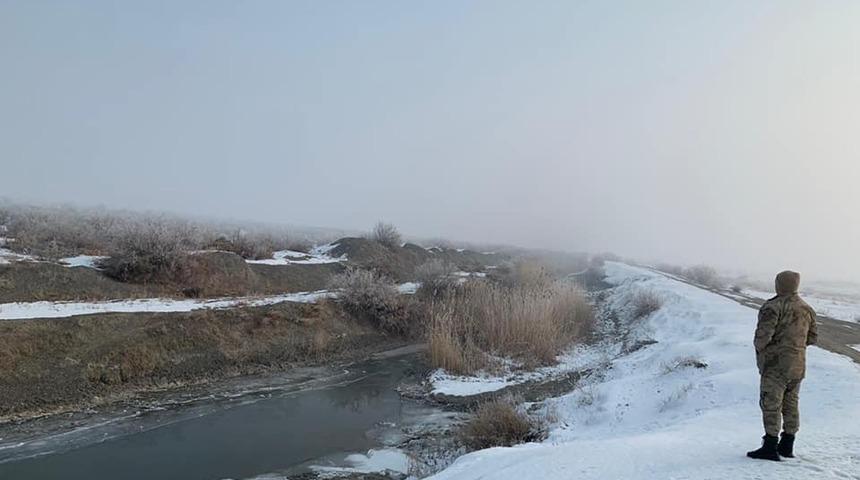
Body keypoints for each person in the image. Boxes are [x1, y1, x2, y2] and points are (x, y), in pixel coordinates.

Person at [747, 270, 817, 461]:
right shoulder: (806, 308)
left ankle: (770, 446)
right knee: (791, 404)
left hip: (775, 366)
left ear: (779, 284)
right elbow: (812, 337)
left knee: (771, 404)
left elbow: (762, 338)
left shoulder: (773, 307)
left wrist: (767, 350)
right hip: (797, 365)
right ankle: (787, 444)